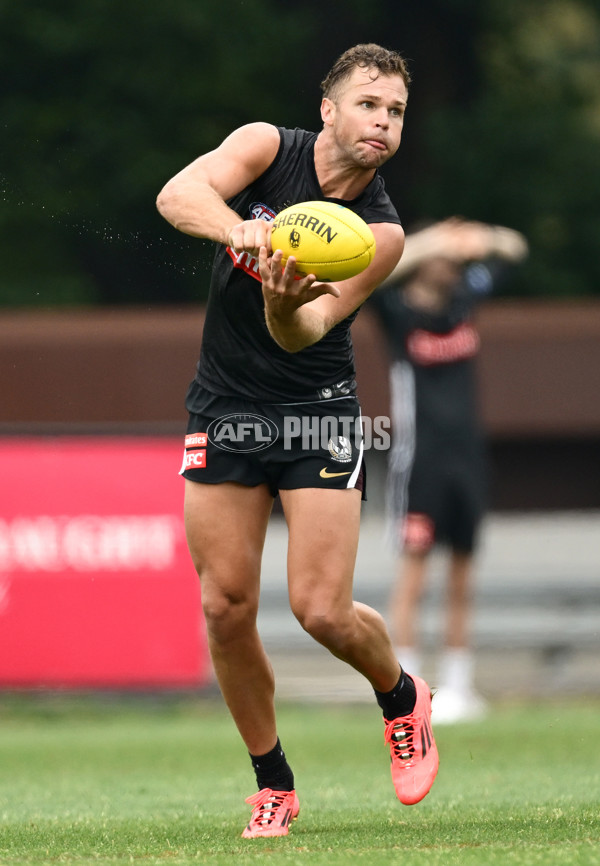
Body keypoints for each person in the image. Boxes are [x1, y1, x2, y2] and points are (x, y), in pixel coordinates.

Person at [156, 43, 438, 838]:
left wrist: (283, 296)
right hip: (224, 404)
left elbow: (304, 329)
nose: (382, 123)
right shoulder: (265, 148)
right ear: (329, 109)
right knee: (224, 605)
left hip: (315, 404)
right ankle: (272, 783)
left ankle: (401, 697)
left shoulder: (380, 233)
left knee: (320, 610)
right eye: (369, 105)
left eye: (396, 113)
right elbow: (178, 194)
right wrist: (243, 236)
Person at [371, 218, 528, 724]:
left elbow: (513, 248)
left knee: (463, 575)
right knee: (413, 577)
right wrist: (430, 242)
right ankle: (410, 691)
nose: (451, 264)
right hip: (420, 461)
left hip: (468, 460)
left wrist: (477, 238)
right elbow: (376, 266)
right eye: (440, 255)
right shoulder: (395, 311)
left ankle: (460, 687)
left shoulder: (463, 302)